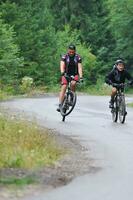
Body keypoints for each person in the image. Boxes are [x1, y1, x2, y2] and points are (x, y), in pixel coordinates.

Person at [57, 44, 83, 112]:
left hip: (75, 74)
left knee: (73, 84)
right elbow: (62, 64)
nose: (71, 53)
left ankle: (72, 97)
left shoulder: (78, 57)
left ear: (75, 51)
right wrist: (62, 72)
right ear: (68, 50)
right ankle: (60, 104)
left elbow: (80, 67)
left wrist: (81, 77)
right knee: (64, 87)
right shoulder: (64, 56)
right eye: (70, 51)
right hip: (66, 74)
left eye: (73, 52)